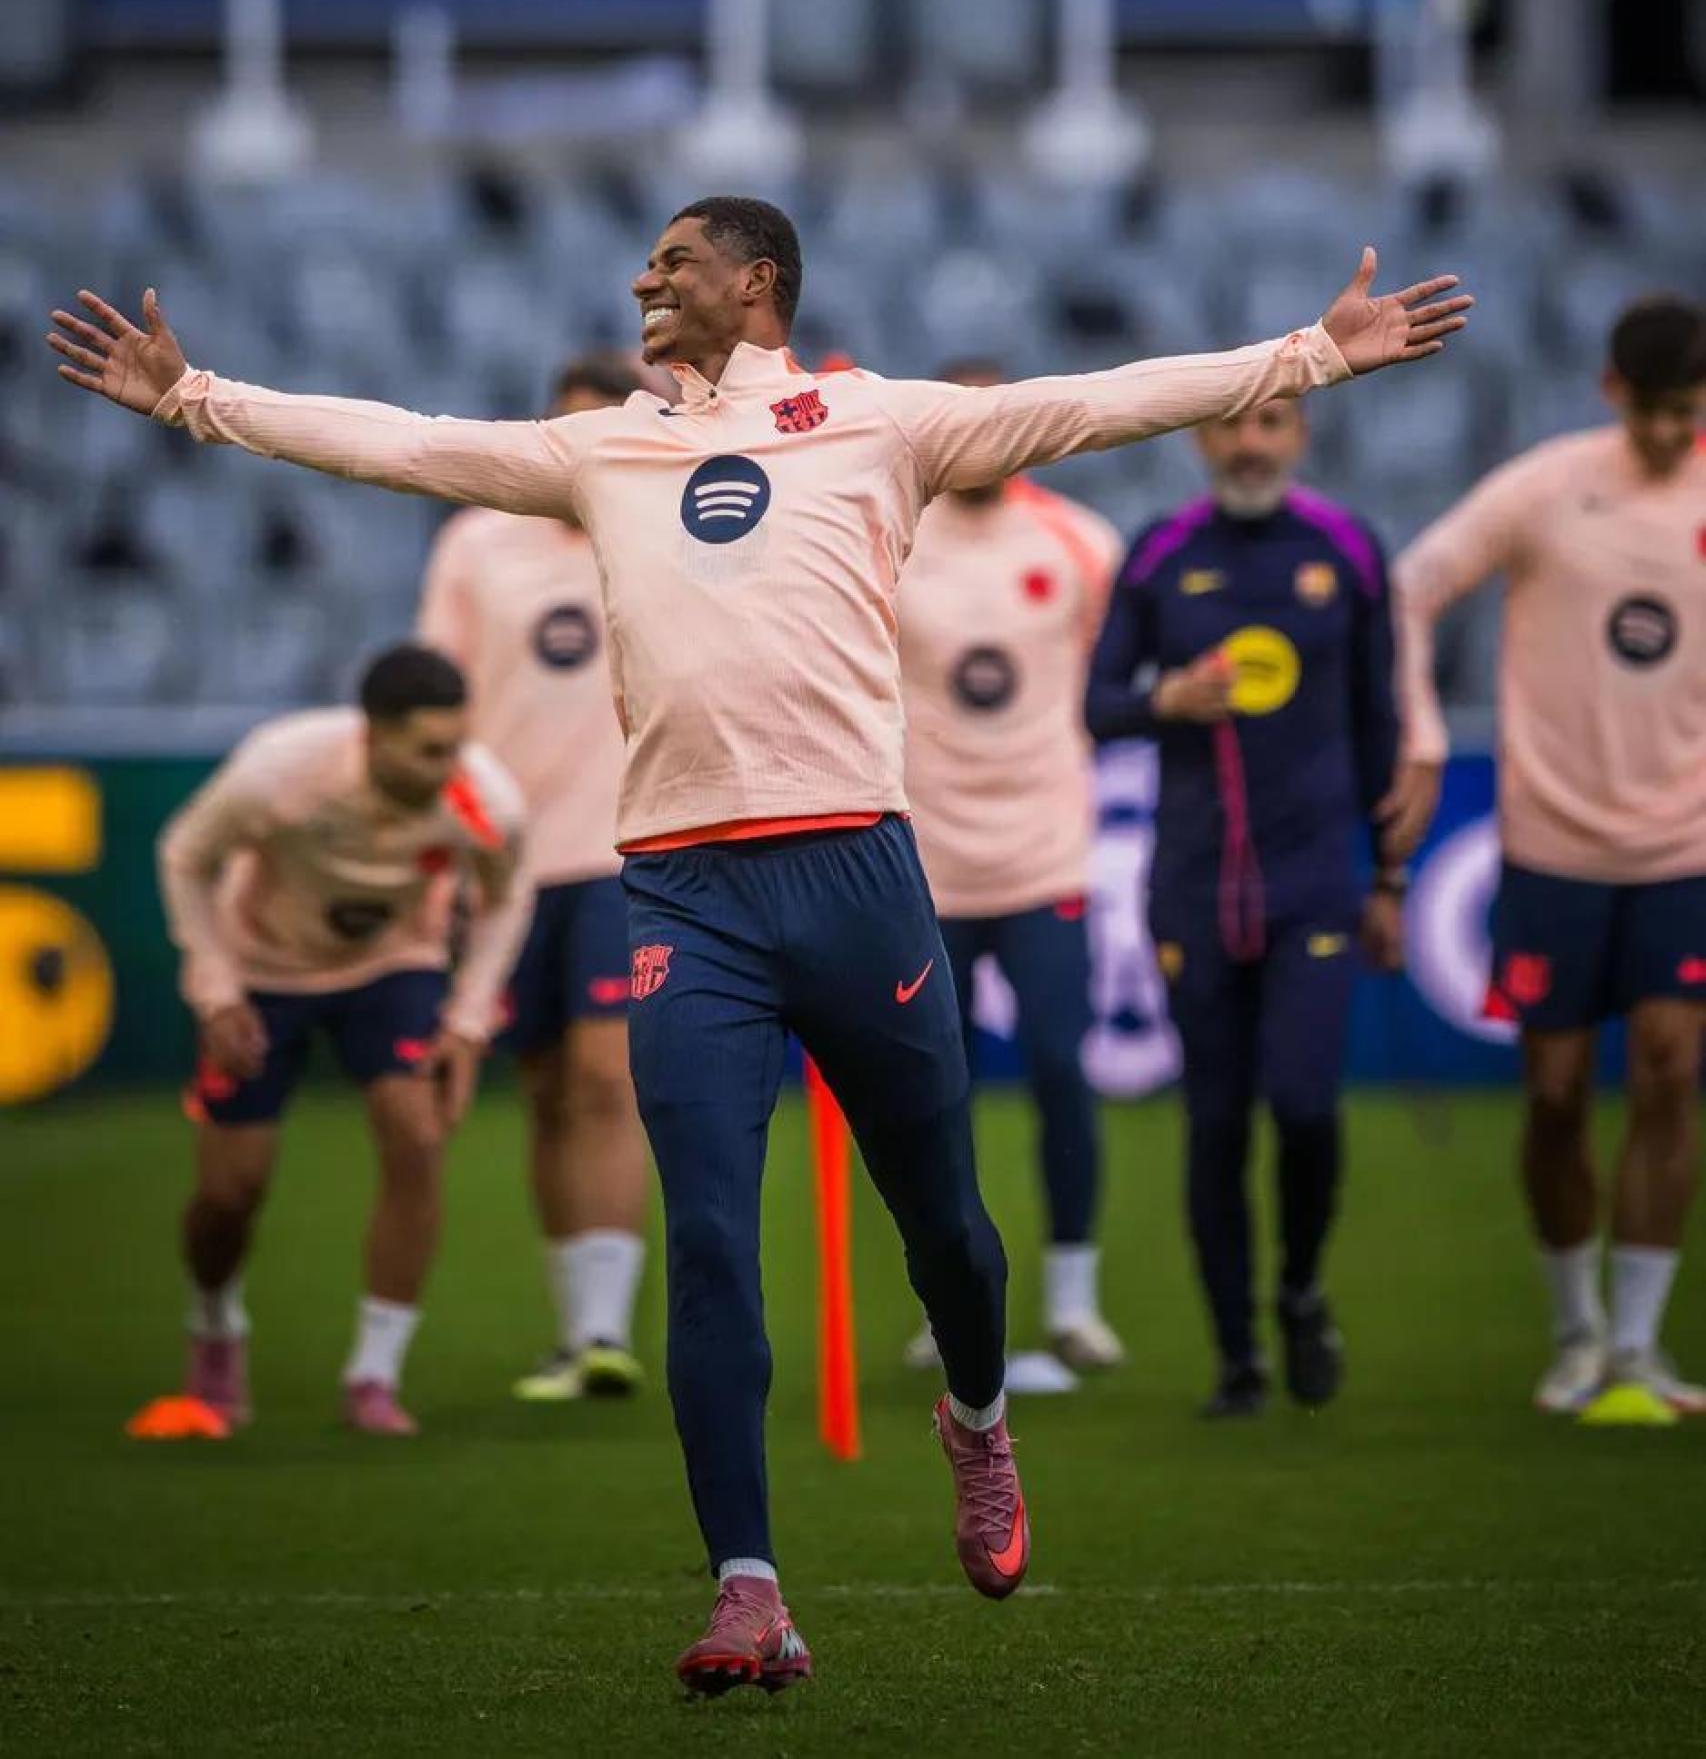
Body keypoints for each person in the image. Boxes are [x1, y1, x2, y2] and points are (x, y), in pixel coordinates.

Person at [50, 208, 1471, 1693]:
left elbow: (1100, 400)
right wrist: (195, 396)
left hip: (858, 876)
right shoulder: (602, 450)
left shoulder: (877, 423)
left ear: (756, 282)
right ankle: (749, 1588)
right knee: (713, 1241)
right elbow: (405, 443)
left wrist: (1310, 354)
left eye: (673, 260)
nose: (644, 278)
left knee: (946, 1227)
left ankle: (978, 1419)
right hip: (683, 897)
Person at [1389, 294, 1706, 1424]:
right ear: (1612, 391)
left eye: (1687, 412)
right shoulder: (1546, 488)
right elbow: (1411, 585)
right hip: (1551, 843)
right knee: (1557, 1090)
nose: (1667, 432)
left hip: (1683, 846)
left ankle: (1637, 1346)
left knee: (1668, 1070)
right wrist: (1423, 735)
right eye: (1652, 409)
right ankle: (1574, 1336)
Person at [1085, 397, 1403, 1417]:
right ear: (1199, 439)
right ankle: (1237, 1357)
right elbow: (1096, 706)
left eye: (1270, 423)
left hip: (1313, 883)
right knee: (1214, 1122)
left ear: (1300, 434)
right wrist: (1164, 701)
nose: (1249, 444)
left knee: (1304, 1105)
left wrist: (1389, 878)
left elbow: (1380, 722)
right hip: (1192, 886)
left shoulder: (1348, 549)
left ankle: (1299, 1288)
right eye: (1230, 427)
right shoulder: (1159, 552)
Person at [154, 643, 530, 1436]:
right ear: (373, 734)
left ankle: (374, 1375)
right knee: (229, 1194)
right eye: (429, 749)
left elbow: (506, 897)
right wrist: (215, 990)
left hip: (394, 964)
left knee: (417, 1138)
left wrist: (468, 1021)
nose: (450, 765)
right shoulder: (277, 773)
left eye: (458, 744)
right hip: (263, 970)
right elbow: (185, 856)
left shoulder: (485, 799)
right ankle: (215, 1324)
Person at [417, 352, 648, 1404]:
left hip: (622, 850)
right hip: (506, 862)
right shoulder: (476, 542)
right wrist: (444, 859)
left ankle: (606, 1330)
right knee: (548, 1089)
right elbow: (440, 705)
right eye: (563, 431)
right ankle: (573, 1328)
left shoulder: (656, 533)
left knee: (606, 1079)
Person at [896, 358, 1126, 1381]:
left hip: (1044, 859)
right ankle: (946, 1297)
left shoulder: (1082, 543)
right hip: (923, 866)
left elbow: (1113, 685)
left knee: (1061, 1071)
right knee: (930, 1092)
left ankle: (1073, 1301)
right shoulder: (889, 535)